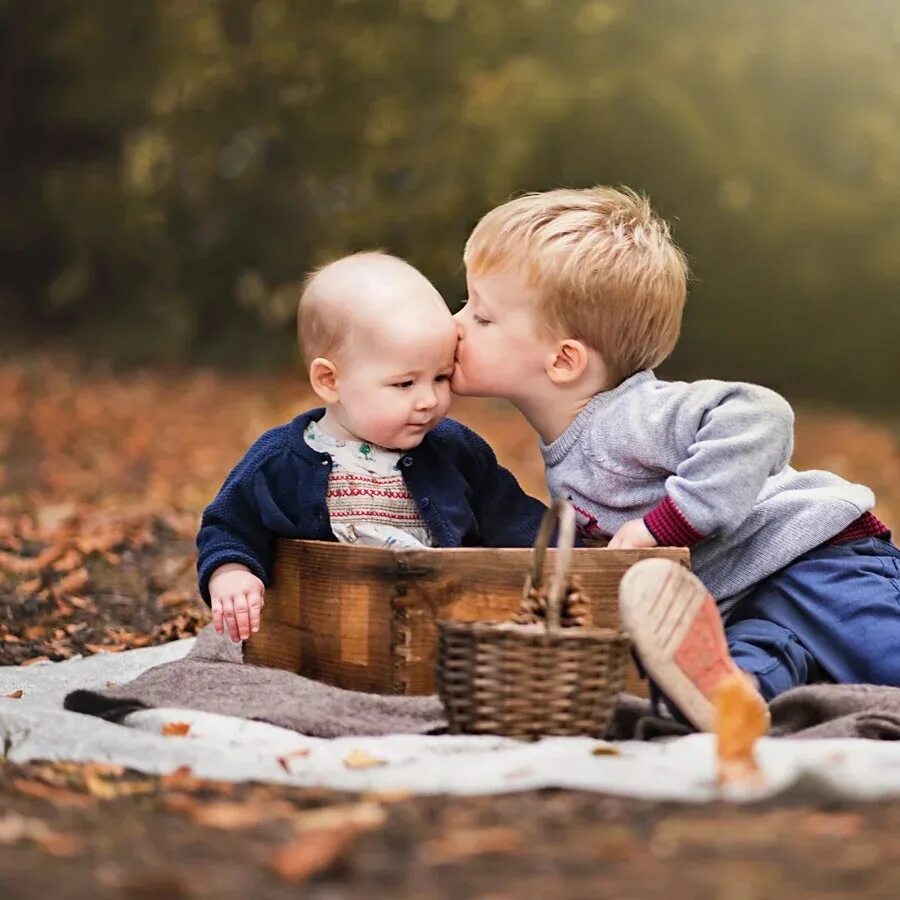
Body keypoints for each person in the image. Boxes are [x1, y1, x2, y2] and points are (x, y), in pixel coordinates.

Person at [451, 185, 900, 731]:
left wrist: (664, 526)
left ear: (564, 360)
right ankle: (737, 707)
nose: (456, 323)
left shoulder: (631, 416)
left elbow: (759, 414)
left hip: (817, 563)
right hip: (745, 600)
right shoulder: (571, 442)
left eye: (482, 316)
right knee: (731, 681)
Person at [197, 251, 547, 643]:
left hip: (445, 634)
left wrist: (576, 555)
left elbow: (516, 521)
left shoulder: (456, 450)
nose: (429, 400)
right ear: (330, 380)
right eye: (404, 384)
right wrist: (231, 573)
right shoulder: (280, 461)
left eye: (442, 377)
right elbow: (229, 525)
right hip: (325, 636)